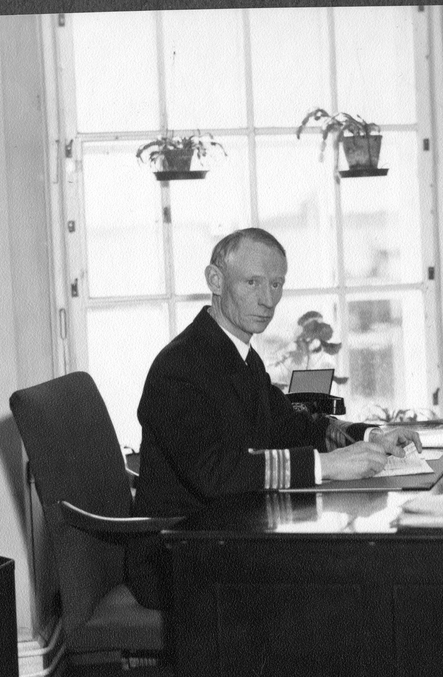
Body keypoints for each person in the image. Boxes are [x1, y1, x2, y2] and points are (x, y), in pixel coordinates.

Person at [127, 226, 421, 607]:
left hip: (226, 536)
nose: (267, 299)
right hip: (177, 557)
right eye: (252, 282)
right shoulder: (180, 366)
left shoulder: (240, 355)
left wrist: (368, 436)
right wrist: (328, 466)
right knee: (340, 583)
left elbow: (290, 425)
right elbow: (215, 474)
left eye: (276, 284)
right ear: (215, 280)